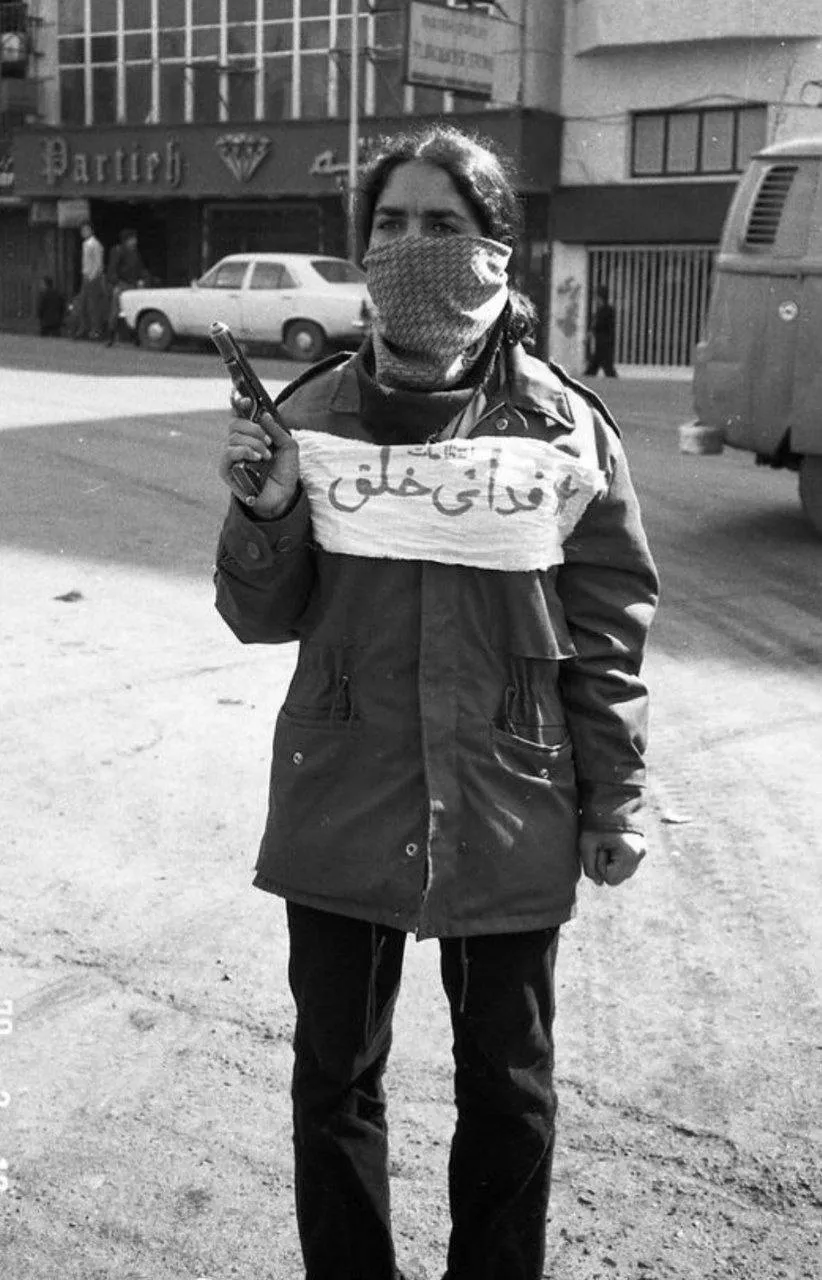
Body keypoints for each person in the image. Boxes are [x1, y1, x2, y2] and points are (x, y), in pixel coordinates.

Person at [214, 124, 658, 1280]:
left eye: (444, 223)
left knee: (510, 1089)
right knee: (335, 1082)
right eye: (392, 223)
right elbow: (257, 615)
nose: (413, 244)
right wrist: (267, 513)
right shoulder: (311, 416)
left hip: (510, 793)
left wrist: (616, 795)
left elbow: (607, 638)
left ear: (496, 247)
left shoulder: (566, 429)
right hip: (343, 788)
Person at [105, 227, 148, 346]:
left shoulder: (135, 253)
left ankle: (136, 337)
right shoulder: (118, 251)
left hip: (134, 284)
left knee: (135, 310)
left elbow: (140, 268)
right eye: (132, 239)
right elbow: (112, 269)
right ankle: (110, 336)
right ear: (126, 240)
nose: (134, 241)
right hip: (122, 284)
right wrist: (116, 283)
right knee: (115, 310)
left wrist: (143, 279)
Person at [74, 220, 107, 340]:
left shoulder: (95, 244)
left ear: (91, 231)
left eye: (86, 230)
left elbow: (98, 262)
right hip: (86, 276)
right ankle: (84, 328)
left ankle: (95, 330)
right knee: (83, 304)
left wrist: (92, 276)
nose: (84, 232)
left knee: (93, 305)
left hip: (93, 277)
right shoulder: (85, 244)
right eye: (82, 230)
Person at [585, 283, 618, 378]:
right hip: (601, 343)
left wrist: (591, 333)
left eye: (597, 297)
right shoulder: (601, 310)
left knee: (604, 367)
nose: (596, 299)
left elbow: (600, 325)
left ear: (601, 297)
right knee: (597, 366)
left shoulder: (607, 311)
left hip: (604, 343)